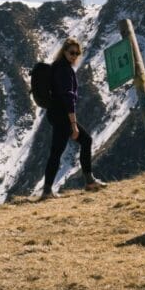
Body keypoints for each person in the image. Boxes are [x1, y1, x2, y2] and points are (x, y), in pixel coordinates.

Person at [41, 38, 107, 199]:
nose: (74, 56)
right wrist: (73, 124)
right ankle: (50, 190)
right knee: (78, 143)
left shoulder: (57, 66)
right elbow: (68, 98)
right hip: (63, 115)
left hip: (54, 113)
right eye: (71, 52)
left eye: (77, 53)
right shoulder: (64, 70)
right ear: (64, 51)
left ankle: (49, 189)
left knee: (58, 151)